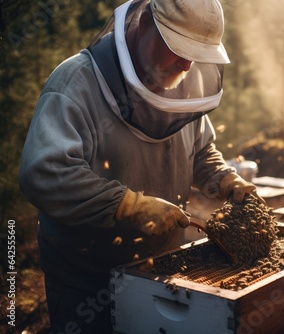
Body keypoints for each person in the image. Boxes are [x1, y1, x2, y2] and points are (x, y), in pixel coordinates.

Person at [19, 0, 262, 332]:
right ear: (145, 23)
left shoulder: (185, 86)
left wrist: (222, 178)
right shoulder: (75, 84)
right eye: (178, 48)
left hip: (161, 270)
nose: (187, 64)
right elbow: (44, 174)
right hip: (86, 279)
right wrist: (126, 206)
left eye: (195, 54)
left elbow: (201, 152)